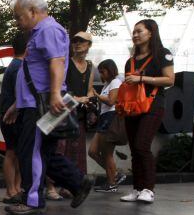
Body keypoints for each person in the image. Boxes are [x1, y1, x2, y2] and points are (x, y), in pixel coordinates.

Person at [2, 0, 92, 215]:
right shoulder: (39, 33)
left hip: (42, 104)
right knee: (44, 153)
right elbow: (34, 73)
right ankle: (78, 182)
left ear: (32, 11)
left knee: (30, 151)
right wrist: (17, 104)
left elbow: (57, 63)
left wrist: (54, 94)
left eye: (19, 17)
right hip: (36, 102)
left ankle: (32, 200)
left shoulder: (48, 30)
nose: (17, 22)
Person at [119, 19, 175, 204]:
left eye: (139, 31)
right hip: (132, 108)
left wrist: (142, 78)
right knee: (135, 148)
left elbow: (169, 80)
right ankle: (137, 188)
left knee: (142, 145)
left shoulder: (162, 54)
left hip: (153, 106)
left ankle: (148, 189)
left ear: (151, 33)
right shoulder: (130, 61)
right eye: (134, 32)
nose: (135, 35)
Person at [0, 31, 28, 204]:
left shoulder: (15, 65)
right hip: (13, 116)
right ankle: (12, 190)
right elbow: (22, 93)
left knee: (16, 152)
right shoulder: (19, 67)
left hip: (11, 114)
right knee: (12, 153)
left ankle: (15, 189)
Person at [90, 59, 126, 192]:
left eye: (103, 71)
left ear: (110, 70)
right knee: (93, 151)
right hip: (104, 118)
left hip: (111, 117)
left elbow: (111, 101)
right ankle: (115, 174)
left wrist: (97, 95)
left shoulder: (116, 82)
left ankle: (111, 183)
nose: (101, 75)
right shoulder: (107, 84)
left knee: (107, 153)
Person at [63, 31, 96, 175]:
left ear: (89, 45)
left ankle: (71, 185)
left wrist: (88, 99)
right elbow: (57, 89)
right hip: (61, 109)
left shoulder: (90, 66)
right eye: (75, 41)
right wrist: (77, 99)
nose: (77, 44)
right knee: (58, 149)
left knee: (77, 150)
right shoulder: (65, 62)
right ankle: (51, 188)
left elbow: (89, 90)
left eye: (81, 41)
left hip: (79, 113)